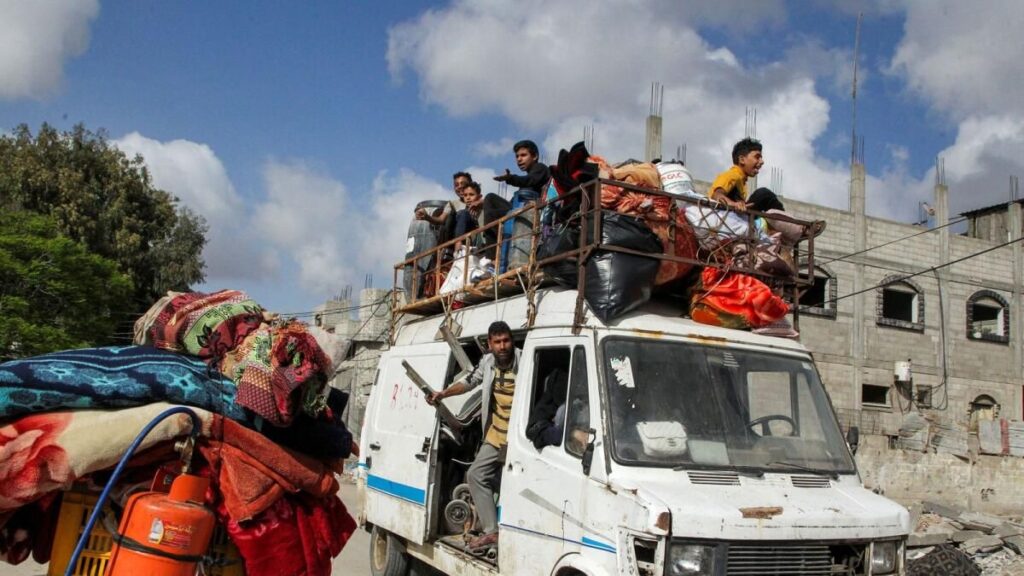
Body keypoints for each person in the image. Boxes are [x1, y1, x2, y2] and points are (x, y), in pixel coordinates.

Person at [426, 321, 519, 552]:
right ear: (490, 344)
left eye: (506, 341)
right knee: (476, 475)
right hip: (496, 434)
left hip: (518, 438)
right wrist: (443, 393)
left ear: (512, 341)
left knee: (513, 482)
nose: (502, 346)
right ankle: (491, 532)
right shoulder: (487, 362)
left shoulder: (525, 360)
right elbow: (469, 382)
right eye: (497, 342)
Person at [708, 138, 785, 214]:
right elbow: (716, 195)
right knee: (764, 194)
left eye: (761, 158)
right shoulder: (732, 175)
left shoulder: (742, 182)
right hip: (726, 216)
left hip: (736, 216)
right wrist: (734, 204)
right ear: (742, 160)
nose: (762, 162)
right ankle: (786, 220)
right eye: (757, 157)